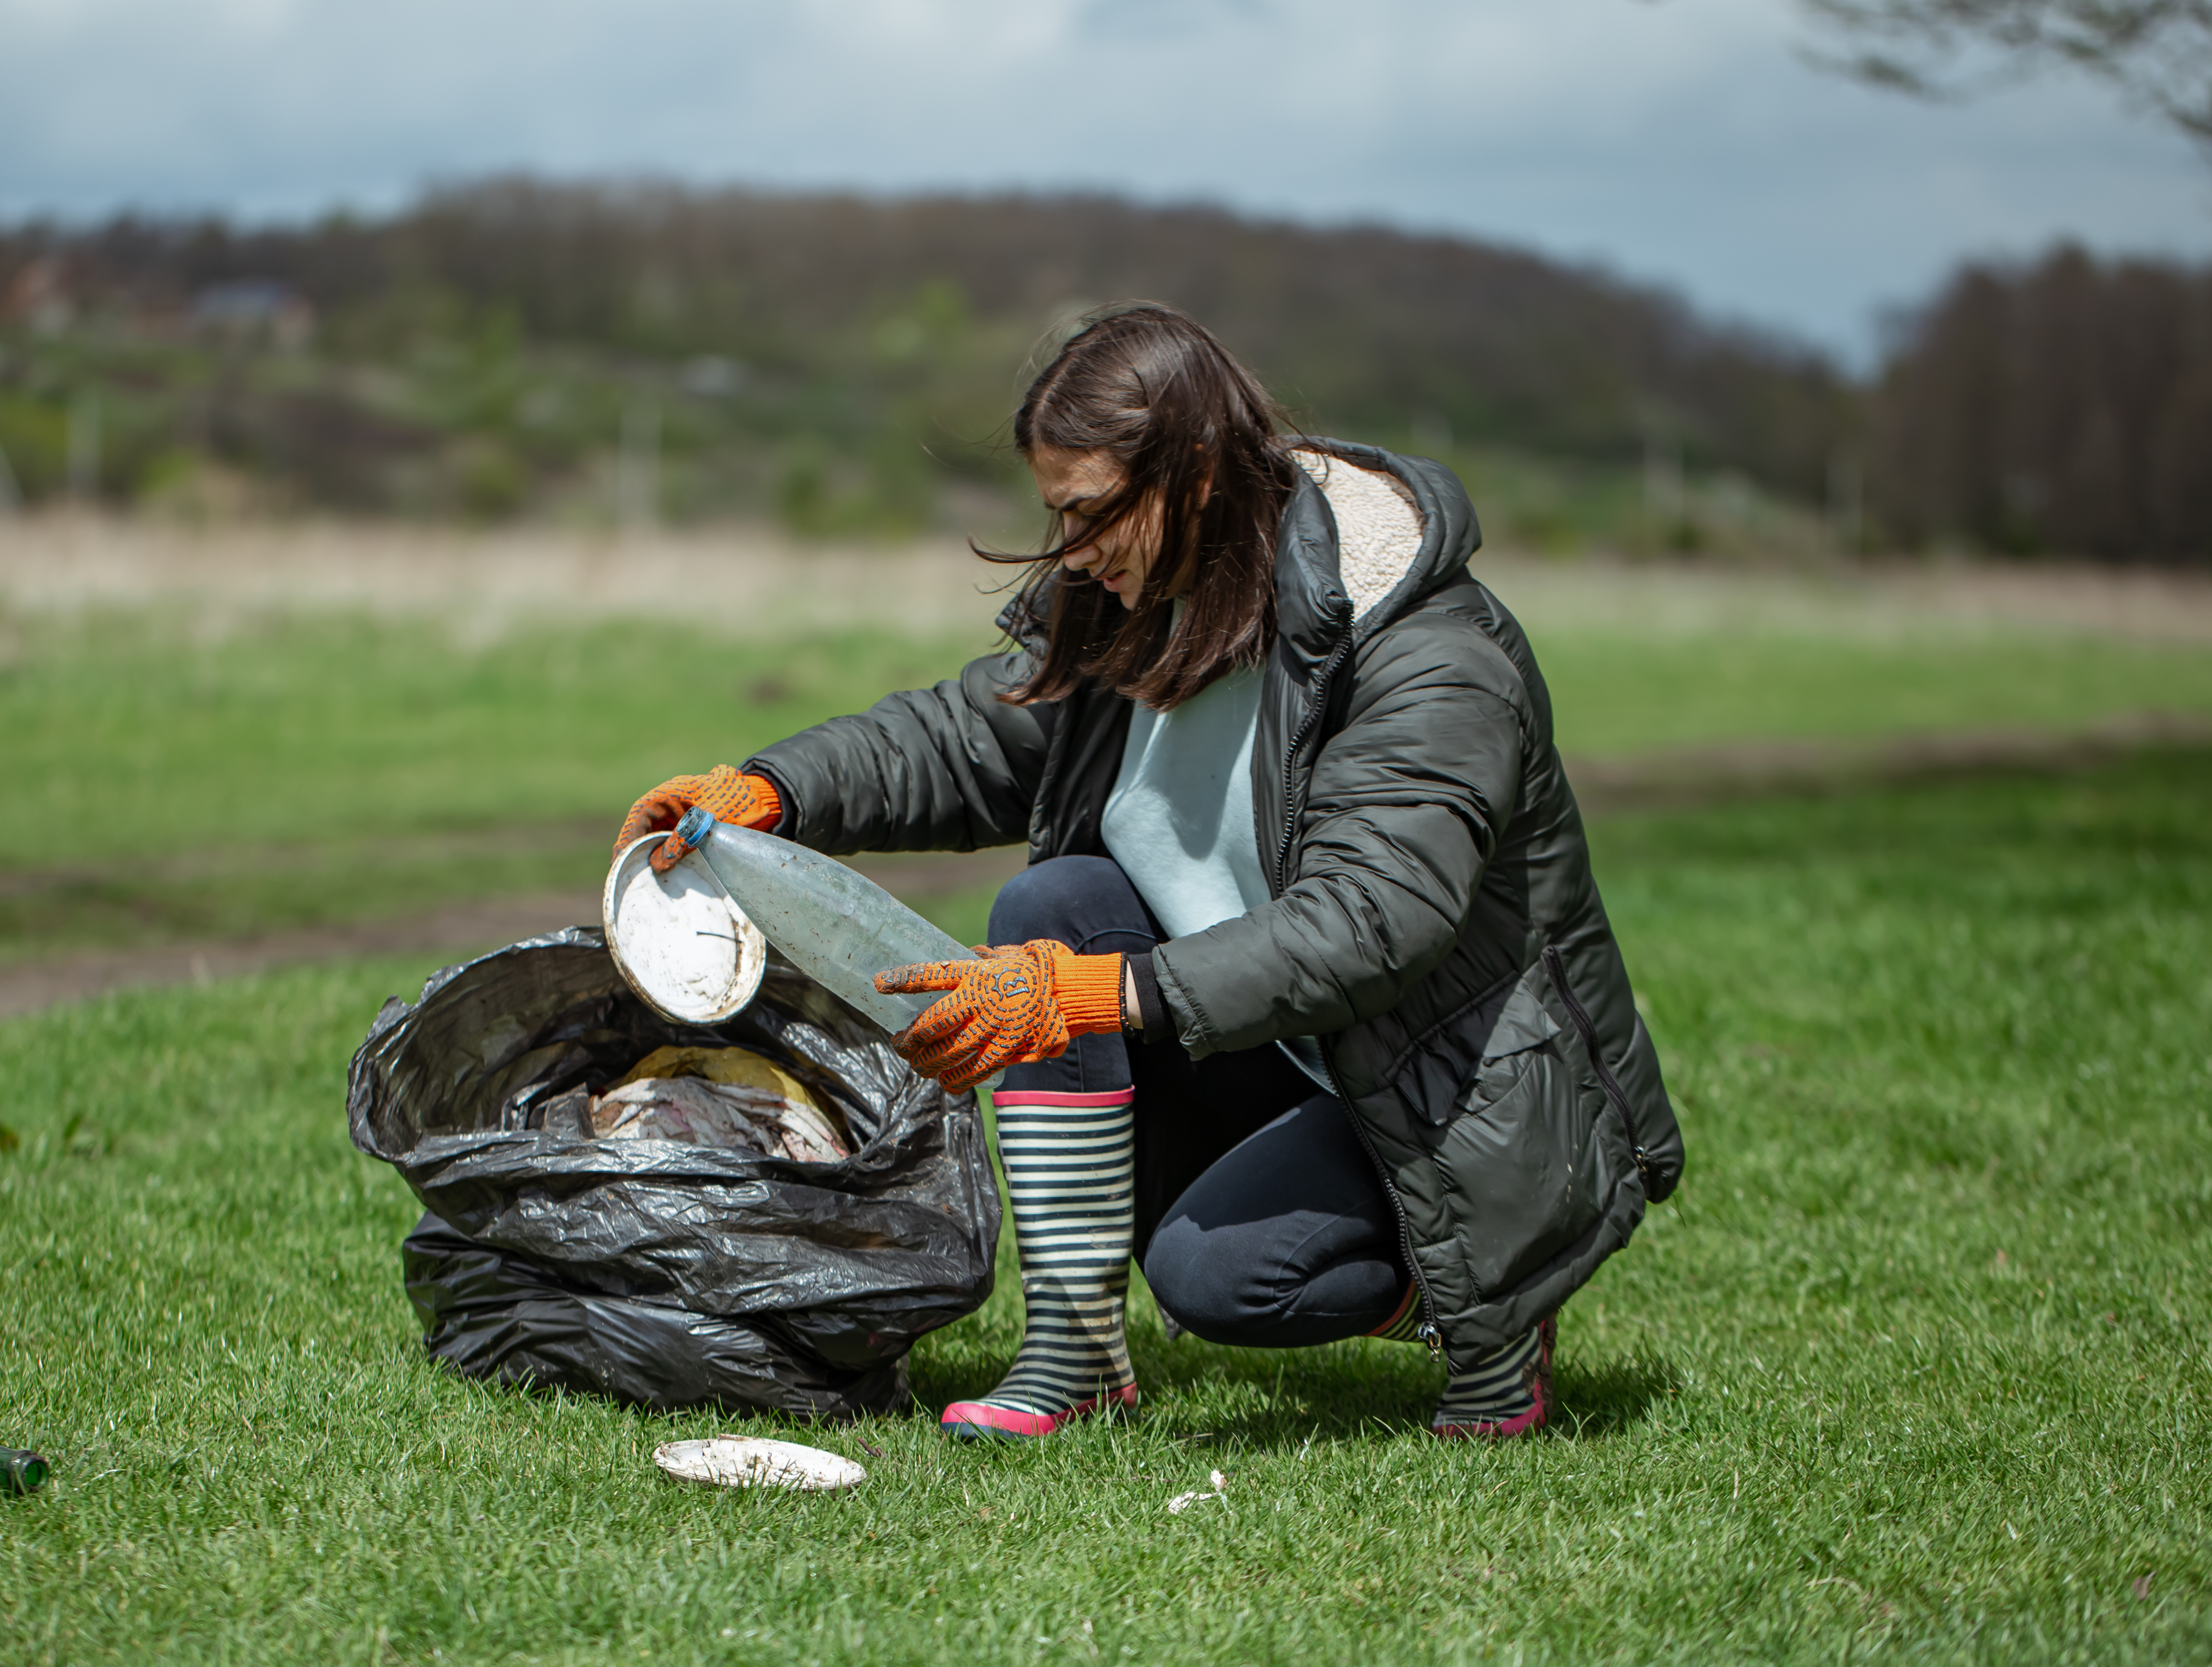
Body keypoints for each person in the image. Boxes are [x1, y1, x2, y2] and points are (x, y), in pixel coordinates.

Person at [615, 303, 1683, 1442]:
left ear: (1199, 472)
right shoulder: (1132, 606)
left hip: (1451, 1089)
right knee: (1055, 905)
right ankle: (1073, 1351)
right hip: (1265, 1041)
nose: (1070, 549)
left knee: (1223, 1279)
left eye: (1090, 512)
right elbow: (969, 739)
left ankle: (1491, 1316)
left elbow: (1372, 922)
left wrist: (1084, 997)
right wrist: (769, 791)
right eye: (1055, 513)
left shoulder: (1425, 652)